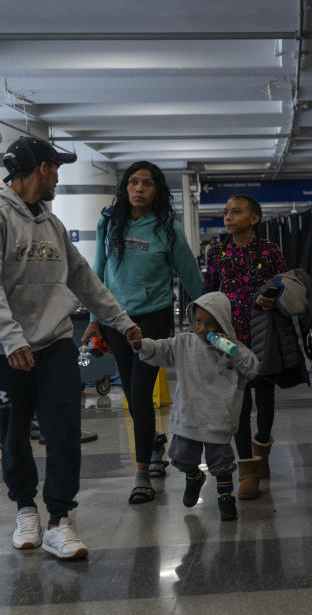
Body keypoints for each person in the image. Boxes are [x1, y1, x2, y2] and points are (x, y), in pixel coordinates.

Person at [0, 136, 142, 558]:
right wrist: (11, 338)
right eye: (56, 168)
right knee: (12, 433)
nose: (58, 177)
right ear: (41, 168)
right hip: (8, 349)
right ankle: (26, 508)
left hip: (55, 343)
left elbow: (84, 279)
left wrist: (122, 321)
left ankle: (60, 519)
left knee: (63, 432)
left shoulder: (52, 223)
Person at [80, 161, 203, 505]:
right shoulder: (108, 220)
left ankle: (142, 475)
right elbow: (99, 271)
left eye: (146, 183)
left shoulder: (166, 225)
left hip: (153, 317)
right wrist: (94, 317)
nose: (138, 189)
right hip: (115, 318)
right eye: (133, 182)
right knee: (134, 398)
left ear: (157, 190)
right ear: (125, 187)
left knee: (140, 388)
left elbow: (188, 271)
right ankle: (154, 445)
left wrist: (206, 312)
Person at [131, 291, 259, 521]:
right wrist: (142, 345)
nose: (202, 328)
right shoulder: (184, 343)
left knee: (221, 463)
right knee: (180, 455)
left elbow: (252, 368)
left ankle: (225, 498)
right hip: (188, 415)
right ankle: (193, 477)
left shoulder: (230, 349)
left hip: (218, 417)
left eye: (209, 324)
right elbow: (162, 350)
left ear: (222, 324)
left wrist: (231, 348)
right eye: (198, 321)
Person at [204, 195, 284, 500]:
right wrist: (205, 326)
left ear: (254, 218)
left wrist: (273, 297)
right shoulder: (217, 253)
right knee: (238, 404)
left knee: (264, 398)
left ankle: (262, 447)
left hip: (263, 333)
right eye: (226, 212)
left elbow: (283, 285)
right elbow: (209, 291)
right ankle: (247, 470)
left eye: (236, 212)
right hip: (229, 337)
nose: (228, 217)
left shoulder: (270, 250)